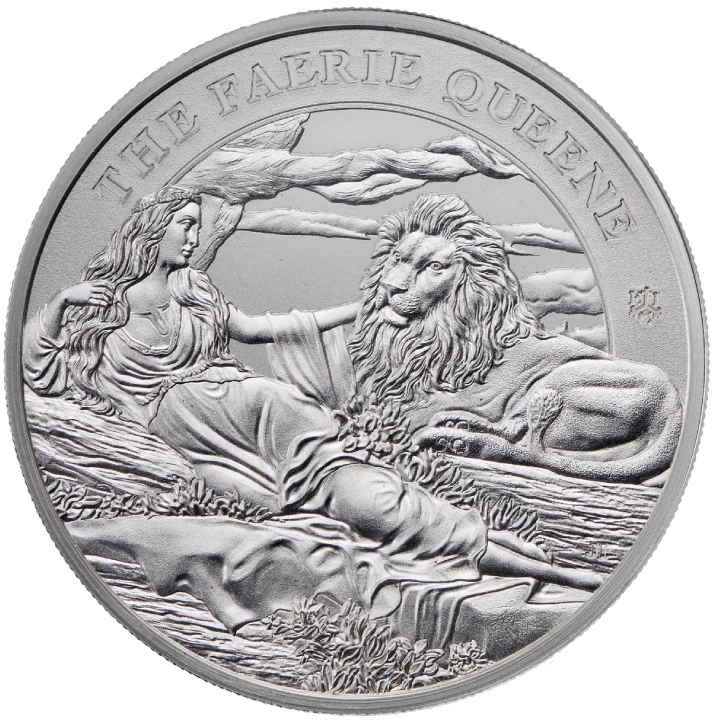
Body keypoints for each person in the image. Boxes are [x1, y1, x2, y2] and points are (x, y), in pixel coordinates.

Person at [24, 185, 602, 593]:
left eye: (198, 225)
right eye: (186, 225)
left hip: (262, 408)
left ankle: (540, 565)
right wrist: (58, 304)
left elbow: (260, 329)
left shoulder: (195, 289)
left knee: (367, 496)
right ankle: (523, 563)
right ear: (152, 230)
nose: (195, 236)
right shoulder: (100, 302)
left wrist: (357, 308)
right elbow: (38, 372)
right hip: (195, 429)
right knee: (339, 515)